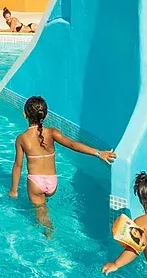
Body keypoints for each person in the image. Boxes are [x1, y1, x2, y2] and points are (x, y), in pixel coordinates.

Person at [10, 96, 116, 236]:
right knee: (44, 207)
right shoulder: (52, 132)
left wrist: (14, 190)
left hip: (36, 183)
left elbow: (18, 165)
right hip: (52, 182)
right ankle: (44, 220)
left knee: (41, 212)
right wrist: (98, 153)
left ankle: (49, 236)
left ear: (24, 114)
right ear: (46, 115)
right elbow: (73, 145)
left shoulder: (22, 138)